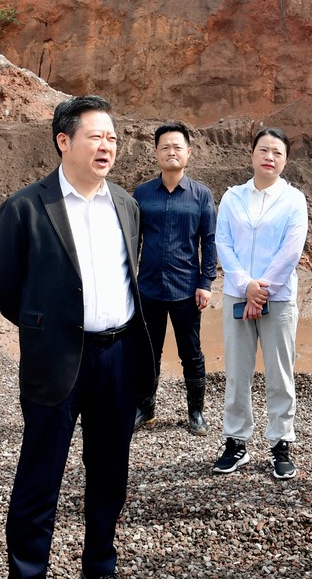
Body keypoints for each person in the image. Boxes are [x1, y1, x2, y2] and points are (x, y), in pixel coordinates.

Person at [0, 94, 156, 579]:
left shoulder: (126, 204)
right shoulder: (25, 207)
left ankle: (100, 564)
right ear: (64, 141)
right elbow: (2, 288)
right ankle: (27, 569)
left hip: (118, 356)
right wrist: (47, 328)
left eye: (113, 138)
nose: (107, 147)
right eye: (96, 136)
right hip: (57, 358)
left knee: (110, 474)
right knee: (41, 476)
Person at [212, 127, 309, 480]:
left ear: (285, 160)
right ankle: (236, 441)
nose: (270, 156)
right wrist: (244, 285)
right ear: (251, 154)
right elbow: (223, 243)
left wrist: (262, 288)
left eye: (278, 152)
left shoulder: (294, 199)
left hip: (278, 299)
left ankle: (280, 443)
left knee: (280, 373)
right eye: (264, 149)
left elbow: (291, 250)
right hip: (238, 296)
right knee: (237, 372)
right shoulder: (232, 197)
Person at [132, 121, 218, 435]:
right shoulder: (142, 194)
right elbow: (134, 241)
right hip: (149, 289)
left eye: (177, 147)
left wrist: (206, 283)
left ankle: (195, 412)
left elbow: (209, 241)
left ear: (188, 153)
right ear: (156, 152)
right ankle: (146, 408)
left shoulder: (201, 195)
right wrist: (131, 283)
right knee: (147, 353)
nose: (172, 152)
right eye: (165, 147)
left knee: (191, 353)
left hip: (186, 290)